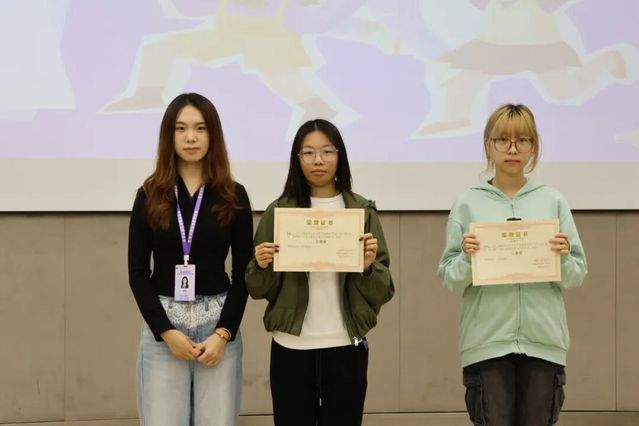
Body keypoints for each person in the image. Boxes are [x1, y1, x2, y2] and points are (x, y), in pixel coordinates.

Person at [437, 104, 588, 426]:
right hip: (486, 342)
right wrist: (467, 257)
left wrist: (562, 257)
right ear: (488, 144)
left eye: (523, 140)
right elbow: (449, 277)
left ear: (534, 145)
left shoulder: (553, 200)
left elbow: (577, 273)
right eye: (503, 140)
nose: (513, 149)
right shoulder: (468, 202)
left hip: (543, 341)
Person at [245, 118, 394, 426]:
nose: (318, 160)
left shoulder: (361, 210)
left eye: (327, 151)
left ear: (340, 156)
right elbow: (257, 289)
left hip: (346, 343)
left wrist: (367, 268)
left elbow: (384, 290)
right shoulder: (280, 211)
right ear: (297, 159)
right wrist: (260, 265)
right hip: (291, 345)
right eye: (308, 152)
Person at [128, 92, 253, 426]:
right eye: (181, 128)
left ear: (213, 134)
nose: (191, 137)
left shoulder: (233, 194)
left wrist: (224, 333)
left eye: (200, 128)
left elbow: (244, 272)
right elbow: (137, 272)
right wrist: (165, 332)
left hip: (218, 328)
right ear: (169, 136)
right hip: (164, 328)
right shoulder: (149, 194)